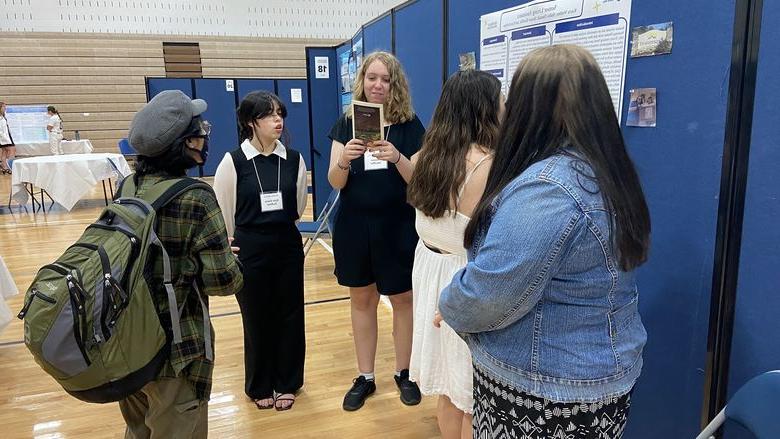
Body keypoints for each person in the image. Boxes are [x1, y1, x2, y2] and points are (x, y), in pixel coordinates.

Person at [439, 45, 651, 439]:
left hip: (545, 391)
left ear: (529, 107)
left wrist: (450, 303)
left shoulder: (547, 190)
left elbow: (490, 293)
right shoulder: (606, 172)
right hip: (596, 380)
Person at [119, 90, 244, 438]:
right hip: (176, 350)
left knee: (137, 430)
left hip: (127, 342)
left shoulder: (127, 185)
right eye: (199, 129)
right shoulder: (196, 196)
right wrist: (222, 258)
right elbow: (224, 283)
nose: (204, 136)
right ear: (184, 143)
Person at [407, 70, 503, 439]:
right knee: (470, 393)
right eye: (500, 101)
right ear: (485, 109)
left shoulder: (426, 154)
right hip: (462, 274)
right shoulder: (486, 164)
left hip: (430, 266)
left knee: (449, 386)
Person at [327, 51, 425, 411]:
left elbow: (419, 182)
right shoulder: (347, 123)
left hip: (398, 226)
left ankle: (404, 372)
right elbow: (335, 182)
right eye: (372, 78)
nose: (378, 85)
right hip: (355, 226)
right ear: (362, 82)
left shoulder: (410, 125)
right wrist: (344, 158)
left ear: (394, 84)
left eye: (385, 79)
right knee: (362, 299)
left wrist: (397, 156)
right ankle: (365, 377)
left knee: (403, 299)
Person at [213, 91, 308, 411]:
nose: (277, 120)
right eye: (269, 115)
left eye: (280, 113)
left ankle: (288, 381)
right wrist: (228, 246)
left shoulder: (294, 159)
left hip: (287, 245)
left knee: (290, 316)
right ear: (251, 122)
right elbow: (223, 210)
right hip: (249, 248)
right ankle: (259, 384)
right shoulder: (233, 161)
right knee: (256, 317)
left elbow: (298, 205)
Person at [0, 102, 14, 174]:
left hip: (5, 137)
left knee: (4, 152)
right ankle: (6, 166)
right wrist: (5, 138)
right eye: (4, 107)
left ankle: (4, 166)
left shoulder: (3, 116)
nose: (5, 108)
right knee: (10, 150)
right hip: (3, 138)